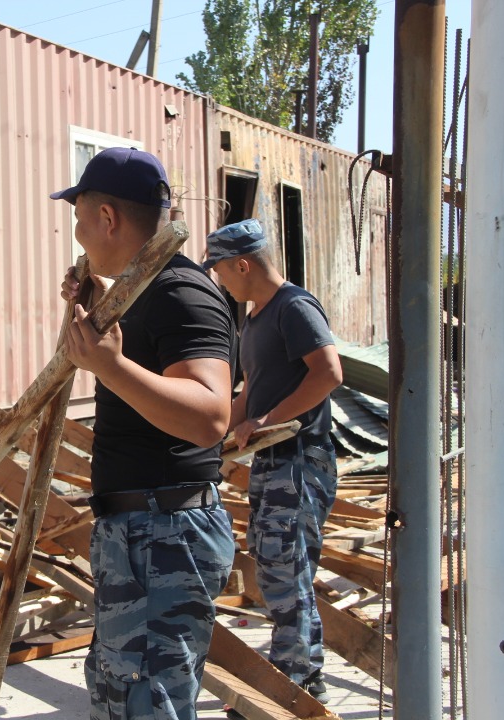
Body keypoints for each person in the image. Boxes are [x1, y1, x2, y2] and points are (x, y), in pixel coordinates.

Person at [54, 147, 236, 720]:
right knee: (121, 698)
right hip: (140, 534)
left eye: (80, 219)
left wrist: (111, 367)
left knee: (147, 704)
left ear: (107, 217)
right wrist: (93, 312)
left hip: (164, 534)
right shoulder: (140, 290)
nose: (78, 235)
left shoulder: (181, 291)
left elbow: (210, 417)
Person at [204, 218, 342, 708]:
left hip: (299, 460)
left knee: (287, 570)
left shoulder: (294, 307)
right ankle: (300, 673)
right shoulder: (256, 318)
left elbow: (328, 373)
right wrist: (212, 435)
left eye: (221, 270)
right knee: (274, 567)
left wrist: (265, 419)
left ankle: (296, 682)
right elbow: (249, 391)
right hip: (271, 459)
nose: (220, 280)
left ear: (243, 265)